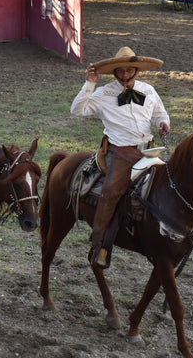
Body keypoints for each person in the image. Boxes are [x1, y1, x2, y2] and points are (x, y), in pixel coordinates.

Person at [70, 46, 170, 269]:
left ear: (136, 70)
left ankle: (165, 234)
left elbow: (159, 114)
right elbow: (77, 111)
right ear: (114, 72)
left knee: (169, 182)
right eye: (121, 71)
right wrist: (90, 83)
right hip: (120, 152)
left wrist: (163, 124)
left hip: (149, 149)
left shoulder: (149, 90)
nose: (125, 75)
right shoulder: (104, 94)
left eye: (130, 70)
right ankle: (99, 246)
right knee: (111, 191)